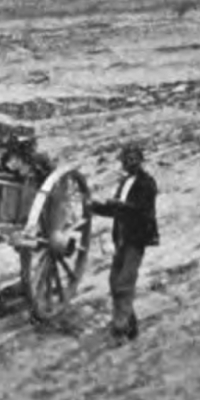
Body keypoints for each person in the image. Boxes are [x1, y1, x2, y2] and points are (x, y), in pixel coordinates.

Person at [88, 143, 159, 344]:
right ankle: (130, 324)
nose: (129, 163)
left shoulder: (147, 183)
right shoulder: (125, 182)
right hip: (121, 236)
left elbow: (144, 210)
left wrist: (120, 205)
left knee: (124, 283)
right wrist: (96, 208)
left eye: (133, 159)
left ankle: (119, 329)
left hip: (136, 238)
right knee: (114, 281)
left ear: (140, 161)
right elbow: (116, 211)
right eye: (126, 160)